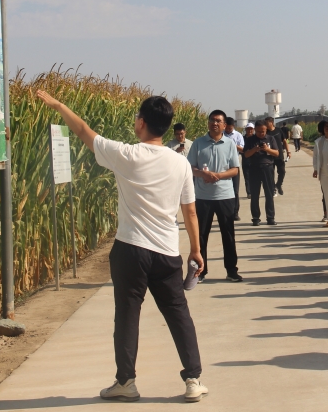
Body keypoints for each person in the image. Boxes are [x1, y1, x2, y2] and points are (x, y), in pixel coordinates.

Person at [35, 90, 208, 403]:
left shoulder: (126, 155)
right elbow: (190, 211)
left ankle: (126, 382)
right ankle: (193, 380)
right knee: (178, 314)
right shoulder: (181, 163)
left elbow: (83, 131)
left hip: (131, 249)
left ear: (141, 123)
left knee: (127, 315)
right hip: (167, 251)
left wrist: (59, 105)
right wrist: (195, 250)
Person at [187, 110, 242, 283]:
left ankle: (231, 270)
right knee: (201, 235)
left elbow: (235, 169)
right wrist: (203, 174)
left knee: (228, 234)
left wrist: (218, 176)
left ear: (224, 125)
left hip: (225, 196)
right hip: (203, 197)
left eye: (218, 121)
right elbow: (190, 167)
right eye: (212, 120)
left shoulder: (230, 144)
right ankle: (201, 271)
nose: (215, 123)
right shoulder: (198, 143)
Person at [244, 120, 280, 226]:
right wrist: (254, 149)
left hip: (267, 168)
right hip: (254, 168)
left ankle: (270, 217)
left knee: (269, 194)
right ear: (255, 130)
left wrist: (267, 149)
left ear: (266, 130)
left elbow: (277, 153)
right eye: (259, 131)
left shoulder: (270, 138)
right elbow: (246, 154)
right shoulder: (250, 140)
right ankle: (255, 218)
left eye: (263, 131)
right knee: (255, 194)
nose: (261, 133)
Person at [313, 119, 328, 227]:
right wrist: (315, 169)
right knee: (327, 195)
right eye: (325, 126)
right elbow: (315, 156)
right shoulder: (319, 142)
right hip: (323, 171)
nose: (327, 128)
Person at [224, 117, 245, 221]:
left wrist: (232, 144)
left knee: (235, 190)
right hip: (223, 166)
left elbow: (243, 149)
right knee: (223, 190)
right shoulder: (220, 135)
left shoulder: (238, 135)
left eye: (230, 128)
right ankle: (225, 212)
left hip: (234, 166)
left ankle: (235, 212)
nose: (228, 130)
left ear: (233, 126)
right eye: (227, 128)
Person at [264, 117, 290, 195]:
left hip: (279, 155)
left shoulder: (279, 130)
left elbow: (284, 141)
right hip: (269, 156)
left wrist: (288, 151)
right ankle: (273, 189)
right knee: (271, 174)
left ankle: (278, 184)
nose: (265, 124)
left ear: (272, 123)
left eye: (267, 123)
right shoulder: (265, 132)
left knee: (282, 172)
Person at [242, 123, 255, 198]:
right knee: (247, 178)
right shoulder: (242, 138)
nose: (249, 131)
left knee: (255, 178)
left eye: (251, 129)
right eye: (248, 129)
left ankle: (254, 191)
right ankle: (249, 192)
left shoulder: (256, 138)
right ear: (246, 130)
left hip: (255, 161)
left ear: (253, 130)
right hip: (245, 161)